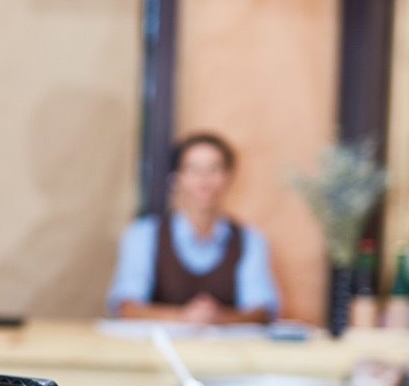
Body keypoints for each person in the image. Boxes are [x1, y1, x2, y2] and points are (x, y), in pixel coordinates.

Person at [106, 133, 281, 325]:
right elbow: (125, 307)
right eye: (193, 169)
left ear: (228, 177)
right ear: (177, 178)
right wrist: (183, 318)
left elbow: (262, 311)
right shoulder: (143, 235)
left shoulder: (250, 240)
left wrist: (218, 319)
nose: (204, 179)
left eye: (214, 169)